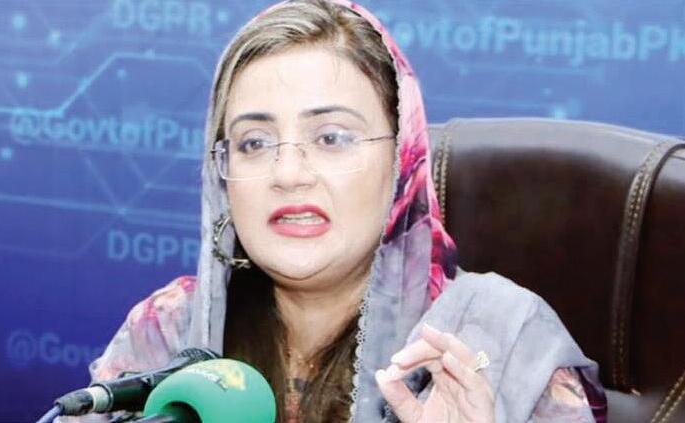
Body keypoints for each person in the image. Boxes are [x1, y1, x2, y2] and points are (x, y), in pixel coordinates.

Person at [66, 0, 607, 421]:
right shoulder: (168, 332)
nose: (288, 173)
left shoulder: (499, 340)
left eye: (331, 137)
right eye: (254, 143)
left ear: (402, 161)